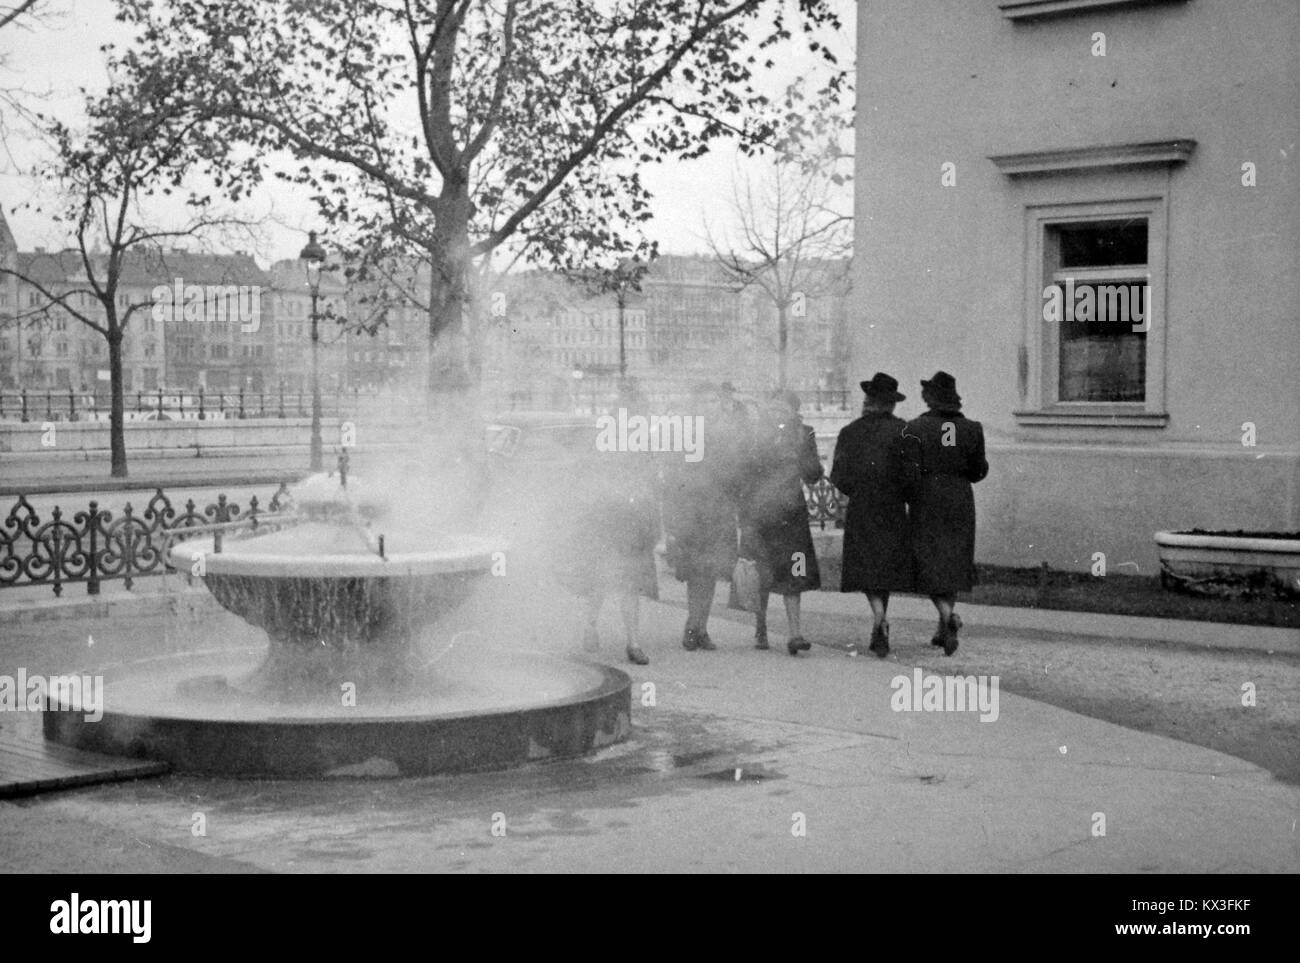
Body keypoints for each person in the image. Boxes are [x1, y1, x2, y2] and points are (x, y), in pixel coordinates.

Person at [564, 380, 659, 665]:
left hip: (634, 520)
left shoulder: (645, 445)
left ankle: (633, 642)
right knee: (602, 581)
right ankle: (591, 626)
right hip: (608, 520)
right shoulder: (605, 442)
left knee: (629, 584)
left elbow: (652, 483)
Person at [901, 371, 989, 656]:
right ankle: (943, 626)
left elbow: (909, 471)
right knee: (952, 562)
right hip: (960, 498)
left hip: (927, 498)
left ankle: (947, 616)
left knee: (927, 561)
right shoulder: (973, 428)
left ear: (930, 398)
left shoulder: (915, 428)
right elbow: (979, 471)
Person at [829, 372, 914, 658]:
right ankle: (881, 614)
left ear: (868, 401)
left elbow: (838, 475)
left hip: (863, 506)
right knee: (885, 565)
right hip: (892, 507)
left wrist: (858, 489)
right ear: (891, 404)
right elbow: (913, 474)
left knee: (867, 564)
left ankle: (878, 614)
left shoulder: (850, 432)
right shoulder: (904, 431)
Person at [740, 388, 824, 656]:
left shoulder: (804, 433)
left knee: (794, 573)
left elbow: (813, 474)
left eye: (783, 408)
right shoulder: (755, 432)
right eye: (773, 406)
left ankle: (795, 633)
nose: (777, 411)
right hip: (760, 513)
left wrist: (807, 463)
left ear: (793, 411)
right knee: (761, 571)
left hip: (791, 514)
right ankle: (761, 626)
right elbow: (745, 469)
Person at [662, 382, 745, 651]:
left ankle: (701, 627)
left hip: (718, 511)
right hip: (692, 513)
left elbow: (735, 470)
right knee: (696, 572)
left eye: (713, 401)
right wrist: (673, 517)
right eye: (705, 402)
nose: (710, 406)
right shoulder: (684, 433)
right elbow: (673, 477)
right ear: (695, 405)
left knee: (710, 572)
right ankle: (692, 625)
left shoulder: (726, 432)